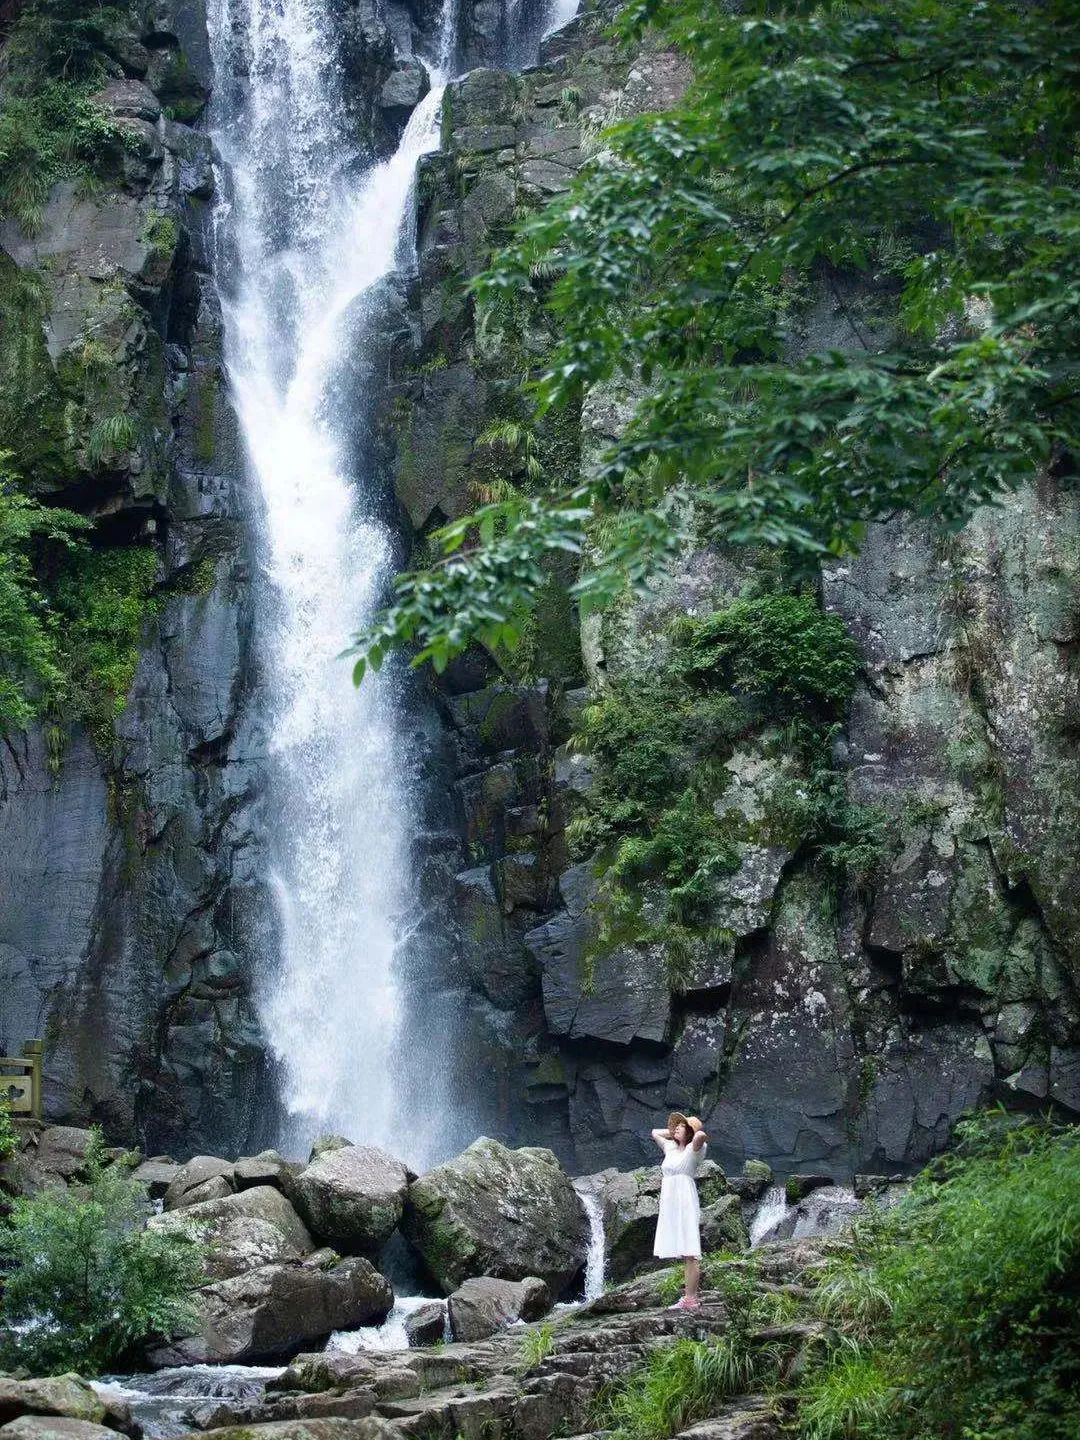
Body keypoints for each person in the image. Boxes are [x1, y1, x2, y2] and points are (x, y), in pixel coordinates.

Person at [651, 1111, 709, 1310]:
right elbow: (654, 1133)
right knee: (684, 1251)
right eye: (676, 1126)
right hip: (670, 1200)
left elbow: (701, 1137)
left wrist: (693, 1130)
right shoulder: (670, 1148)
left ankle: (691, 1299)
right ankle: (688, 1297)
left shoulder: (694, 1150)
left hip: (684, 1198)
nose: (676, 1128)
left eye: (680, 1126)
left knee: (690, 1250)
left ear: (689, 1132)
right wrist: (674, 1132)